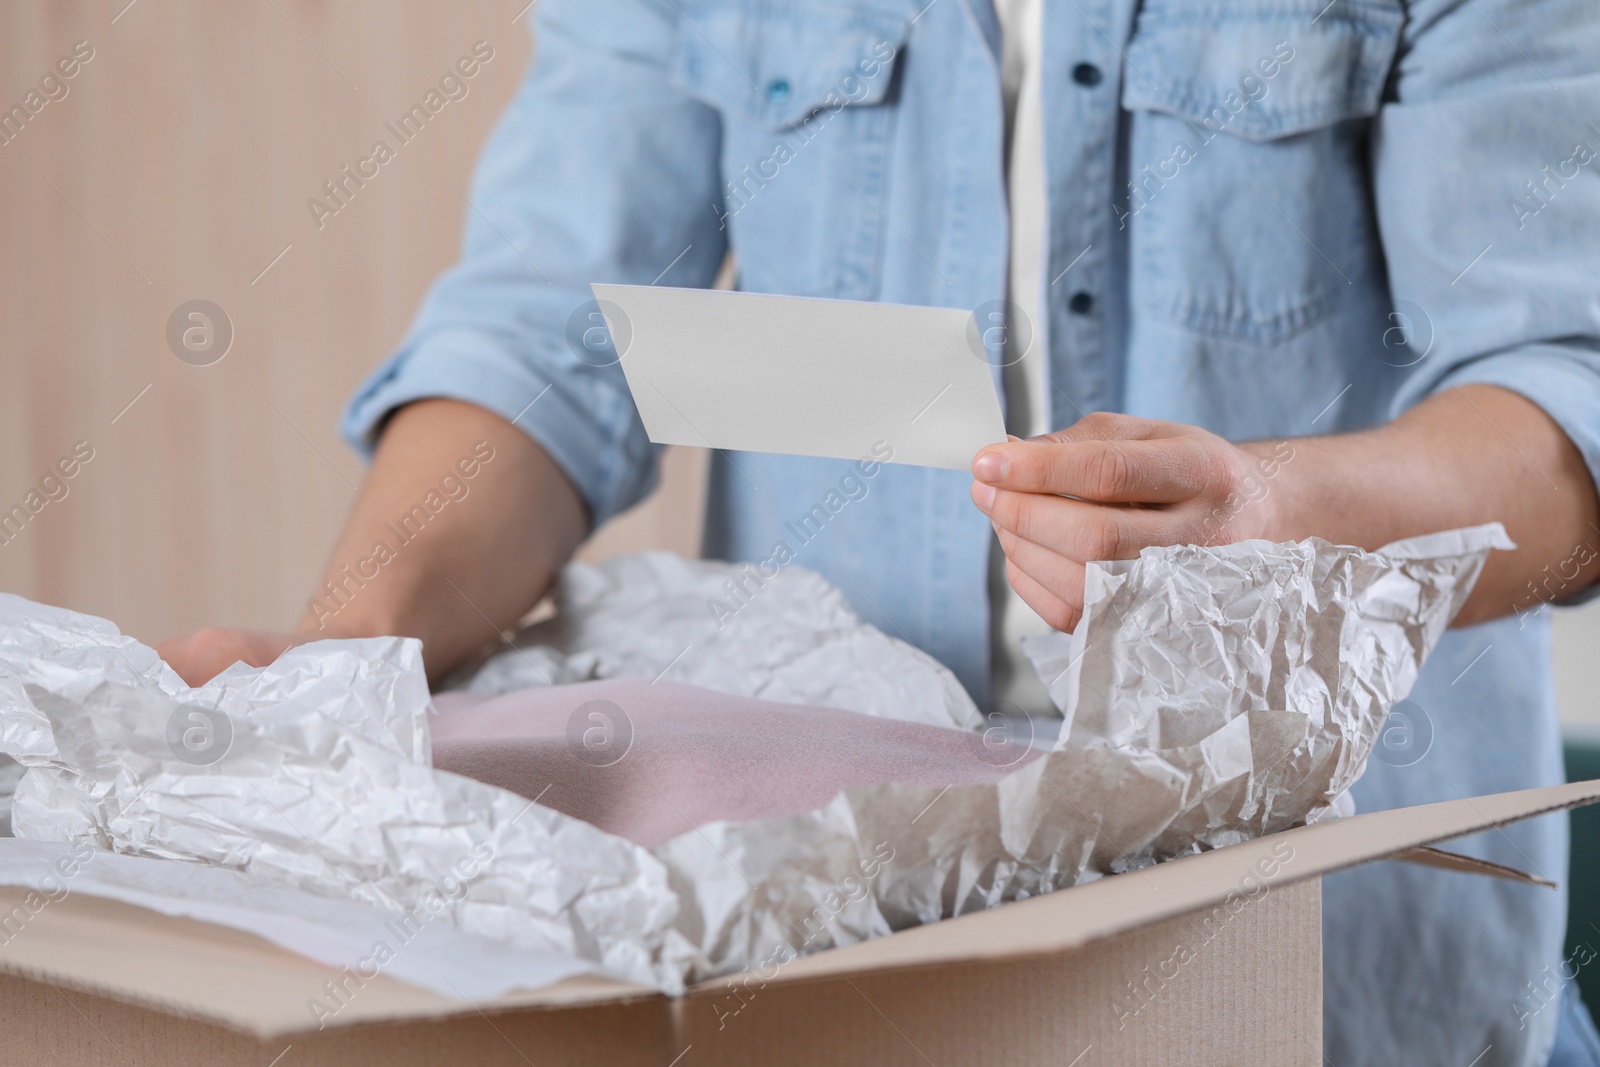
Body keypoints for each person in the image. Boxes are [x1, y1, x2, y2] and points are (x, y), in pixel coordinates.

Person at [159, 1, 1600, 1062]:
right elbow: (546, 343)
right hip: (840, 968)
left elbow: (1566, 395)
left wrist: (1279, 521)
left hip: (1331, 973)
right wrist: (341, 666)